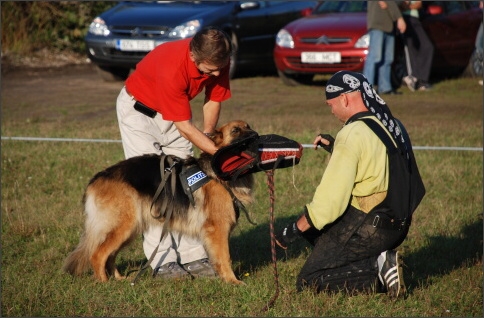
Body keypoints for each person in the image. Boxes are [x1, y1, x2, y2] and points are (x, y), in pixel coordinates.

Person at [276, 71, 425, 297]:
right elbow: (379, 160)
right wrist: (336, 147)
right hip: (399, 225)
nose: (332, 111)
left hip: (368, 228)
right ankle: (375, 260)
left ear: (344, 99)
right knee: (323, 240)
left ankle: (378, 268)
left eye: (331, 104)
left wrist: (294, 230)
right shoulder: (393, 124)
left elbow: (329, 205)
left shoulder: (353, 132)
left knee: (310, 280)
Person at [116, 27, 233, 279]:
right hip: (139, 114)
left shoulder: (219, 58)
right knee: (157, 184)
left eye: (219, 68)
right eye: (209, 70)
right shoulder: (173, 67)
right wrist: (216, 154)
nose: (215, 74)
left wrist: (210, 135)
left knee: (188, 181)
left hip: (175, 112)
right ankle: (163, 261)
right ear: (193, 57)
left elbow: (213, 99)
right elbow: (185, 127)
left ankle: (192, 255)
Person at [363, 1, 406, 95]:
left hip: (389, 25)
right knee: (374, 57)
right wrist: (399, 17)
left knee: (387, 59)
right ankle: (366, 88)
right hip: (377, 24)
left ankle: (385, 87)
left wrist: (392, 5)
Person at [399, 1, 434, 91]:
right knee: (413, 49)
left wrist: (409, 6)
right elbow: (401, 5)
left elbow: (419, 4)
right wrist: (409, 6)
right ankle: (416, 79)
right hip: (405, 18)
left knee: (426, 47)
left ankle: (420, 79)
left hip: (414, 19)